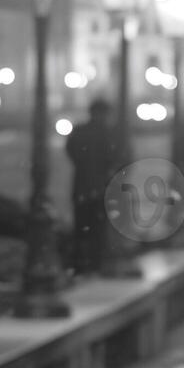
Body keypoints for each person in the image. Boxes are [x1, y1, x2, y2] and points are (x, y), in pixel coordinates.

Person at [66, 97, 117, 276]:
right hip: (100, 189)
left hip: (82, 188)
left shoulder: (80, 131)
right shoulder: (108, 133)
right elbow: (114, 158)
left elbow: (71, 151)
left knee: (81, 229)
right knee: (98, 229)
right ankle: (96, 264)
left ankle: (80, 265)